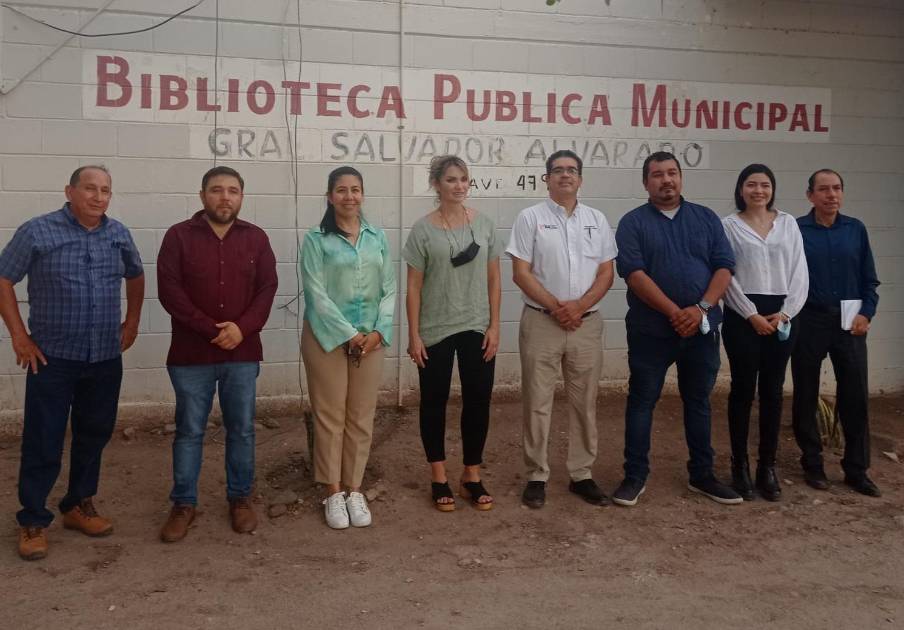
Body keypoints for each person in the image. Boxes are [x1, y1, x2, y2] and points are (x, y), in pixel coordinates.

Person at [0, 165, 144, 561]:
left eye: (105, 190)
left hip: (104, 357)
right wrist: (19, 336)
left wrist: (132, 321)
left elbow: (136, 275)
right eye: (90, 188)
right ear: (70, 191)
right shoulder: (37, 231)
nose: (98, 197)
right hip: (52, 358)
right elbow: (3, 278)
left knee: (94, 433)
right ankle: (33, 518)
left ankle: (78, 504)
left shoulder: (118, 234)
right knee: (43, 438)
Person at [156, 166, 277, 542]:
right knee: (189, 431)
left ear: (241, 197)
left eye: (233, 191)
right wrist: (212, 330)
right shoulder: (178, 236)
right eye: (217, 190)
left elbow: (267, 288)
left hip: (242, 353)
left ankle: (240, 499)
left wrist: (242, 328)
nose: (225, 197)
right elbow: (170, 292)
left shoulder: (256, 238)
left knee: (241, 429)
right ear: (202, 195)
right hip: (191, 355)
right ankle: (183, 504)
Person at [613, 151, 740, 507]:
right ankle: (634, 476)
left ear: (681, 178)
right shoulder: (632, 223)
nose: (666, 180)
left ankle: (702, 475)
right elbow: (634, 274)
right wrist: (674, 312)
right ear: (646, 183)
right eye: (657, 175)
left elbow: (724, 266)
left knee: (698, 402)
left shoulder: (705, 218)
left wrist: (701, 309)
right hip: (651, 332)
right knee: (642, 402)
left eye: (672, 173)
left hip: (701, 330)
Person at [506, 149, 617, 509]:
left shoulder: (597, 219)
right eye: (557, 170)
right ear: (547, 178)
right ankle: (536, 475)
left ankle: (581, 474)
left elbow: (606, 273)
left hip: (586, 324)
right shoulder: (530, 218)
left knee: (585, 402)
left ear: (580, 179)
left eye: (571, 170)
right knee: (537, 402)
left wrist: (579, 307)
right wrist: (558, 308)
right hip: (542, 322)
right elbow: (520, 273)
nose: (565, 175)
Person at [404, 155, 502, 512]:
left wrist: (494, 325)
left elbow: (494, 279)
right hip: (435, 329)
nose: (459, 186)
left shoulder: (485, 224)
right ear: (436, 184)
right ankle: (439, 476)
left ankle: (471, 475)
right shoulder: (422, 230)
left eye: (463, 179)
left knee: (478, 401)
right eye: (451, 179)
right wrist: (414, 335)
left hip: (477, 326)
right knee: (434, 402)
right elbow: (413, 287)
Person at [301, 166, 395, 529]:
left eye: (355, 189)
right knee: (330, 416)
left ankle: (355, 489)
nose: (349, 196)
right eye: (341, 190)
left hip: (371, 340)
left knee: (361, 415)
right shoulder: (315, 239)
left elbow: (389, 288)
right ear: (330, 196)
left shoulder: (377, 237)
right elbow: (315, 293)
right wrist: (348, 334)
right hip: (326, 339)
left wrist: (378, 331)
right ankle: (333, 492)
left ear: (363, 195)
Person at [721, 164, 809, 501]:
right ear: (740, 189)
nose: (758, 190)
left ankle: (766, 467)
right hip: (743, 316)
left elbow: (800, 271)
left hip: (783, 315)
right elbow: (726, 274)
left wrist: (786, 313)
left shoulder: (788, 223)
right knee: (742, 390)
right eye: (751, 184)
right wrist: (750, 314)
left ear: (772, 189)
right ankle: (739, 466)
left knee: (773, 391)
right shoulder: (728, 225)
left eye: (765, 185)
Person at [791, 169, 881, 497]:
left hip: (850, 324)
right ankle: (812, 463)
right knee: (805, 393)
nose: (832, 195)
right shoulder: (796, 230)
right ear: (810, 195)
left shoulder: (855, 229)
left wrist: (866, 313)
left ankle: (857, 469)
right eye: (824, 189)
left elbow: (869, 280)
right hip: (809, 321)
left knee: (855, 396)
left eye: (837, 188)